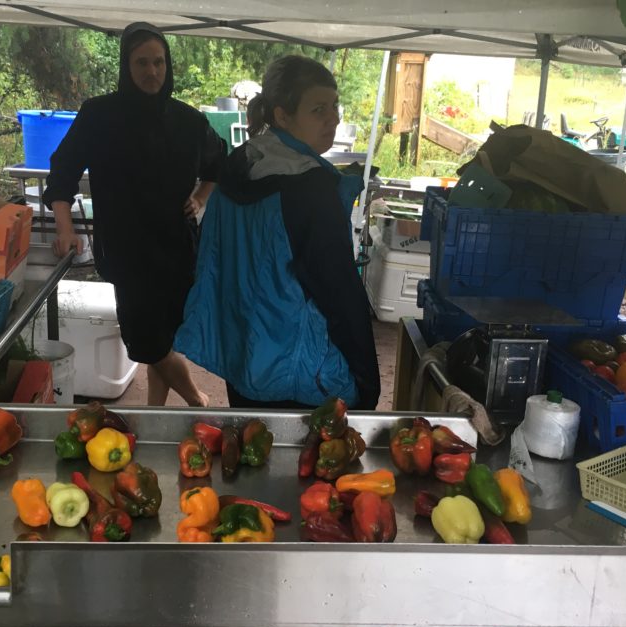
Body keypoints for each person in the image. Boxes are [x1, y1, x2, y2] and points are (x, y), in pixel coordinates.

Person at [175, 55, 380, 410]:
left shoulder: (238, 167)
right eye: (318, 110)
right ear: (282, 115)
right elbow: (338, 293)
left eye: (334, 106)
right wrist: (367, 381)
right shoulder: (310, 190)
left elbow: (212, 262)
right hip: (300, 377)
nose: (333, 118)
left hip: (242, 361)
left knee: (255, 451)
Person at [43, 22, 226, 406]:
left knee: (162, 336)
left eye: (158, 62)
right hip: (126, 251)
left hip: (176, 248)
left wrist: (201, 197)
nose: (152, 72)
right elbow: (63, 172)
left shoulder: (188, 120)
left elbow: (218, 163)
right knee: (147, 341)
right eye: (142, 62)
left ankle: (156, 412)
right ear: (127, 66)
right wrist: (64, 229)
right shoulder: (99, 115)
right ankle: (197, 400)